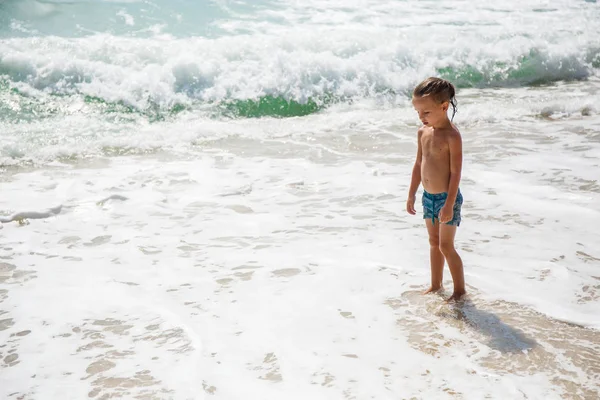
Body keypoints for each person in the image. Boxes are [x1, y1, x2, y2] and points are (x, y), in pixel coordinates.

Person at [406, 77, 466, 302]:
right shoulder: (423, 132)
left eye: (426, 113)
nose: (421, 118)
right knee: (433, 243)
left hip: (447, 198)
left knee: (446, 245)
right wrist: (412, 193)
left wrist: (449, 203)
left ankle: (459, 290)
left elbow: (455, 173)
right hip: (428, 197)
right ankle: (435, 284)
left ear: (443, 107)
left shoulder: (452, 136)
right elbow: (418, 164)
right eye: (418, 113)